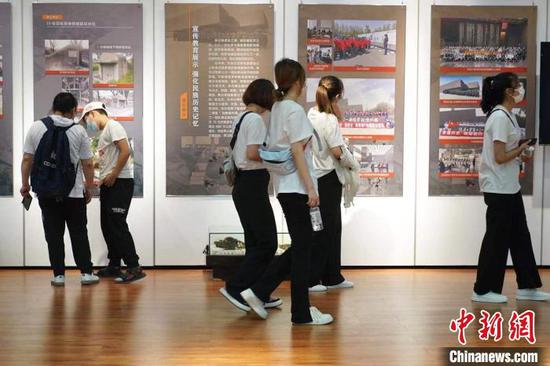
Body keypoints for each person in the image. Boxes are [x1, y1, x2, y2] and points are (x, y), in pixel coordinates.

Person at [240, 59, 333, 325]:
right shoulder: (293, 110)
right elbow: (296, 151)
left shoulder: (278, 108)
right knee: (305, 247)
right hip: (297, 188)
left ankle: (270, 296)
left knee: (303, 246)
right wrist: (311, 188)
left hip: (284, 188)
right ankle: (295, 310)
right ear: (297, 82)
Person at [472, 72, 550, 303]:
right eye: (517, 86)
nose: (520, 89)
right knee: (496, 240)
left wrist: (521, 153)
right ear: (508, 91)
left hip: (509, 187)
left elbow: (507, 154)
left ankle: (527, 285)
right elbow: (498, 156)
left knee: (520, 238)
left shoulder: (508, 116)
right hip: (498, 189)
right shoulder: (498, 117)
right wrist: (519, 150)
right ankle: (483, 290)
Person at [21, 92, 99, 286]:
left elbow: (27, 159)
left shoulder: (36, 127)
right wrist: (89, 187)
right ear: (73, 110)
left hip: (46, 192)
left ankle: (58, 275)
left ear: (53, 106)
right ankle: (86, 274)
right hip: (73, 194)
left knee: (53, 234)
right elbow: (88, 164)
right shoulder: (79, 131)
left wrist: (25, 184)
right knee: (79, 233)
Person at [219, 79, 282, 311]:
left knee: (255, 243)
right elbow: (253, 154)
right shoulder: (255, 120)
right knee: (267, 243)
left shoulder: (242, 117)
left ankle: (256, 293)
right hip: (253, 185)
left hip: (244, 186)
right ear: (266, 96)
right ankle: (236, 287)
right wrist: (279, 156)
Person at [81, 102, 146, 284]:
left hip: (120, 182)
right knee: (107, 225)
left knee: (117, 224)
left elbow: (126, 151)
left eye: (86, 119)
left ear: (92, 113)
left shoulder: (113, 126)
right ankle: (115, 264)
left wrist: (115, 174)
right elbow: (109, 159)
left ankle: (134, 267)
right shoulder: (104, 133)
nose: (88, 124)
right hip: (109, 184)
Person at [307, 76, 355, 293]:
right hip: (329, 177)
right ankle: (318, 278)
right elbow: (337, 151)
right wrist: (351, 162)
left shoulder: (312, 113)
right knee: (329, 229)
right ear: (336, 96)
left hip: (317, 176)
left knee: (324, 228)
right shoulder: (330, 120)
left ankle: (330, 276)